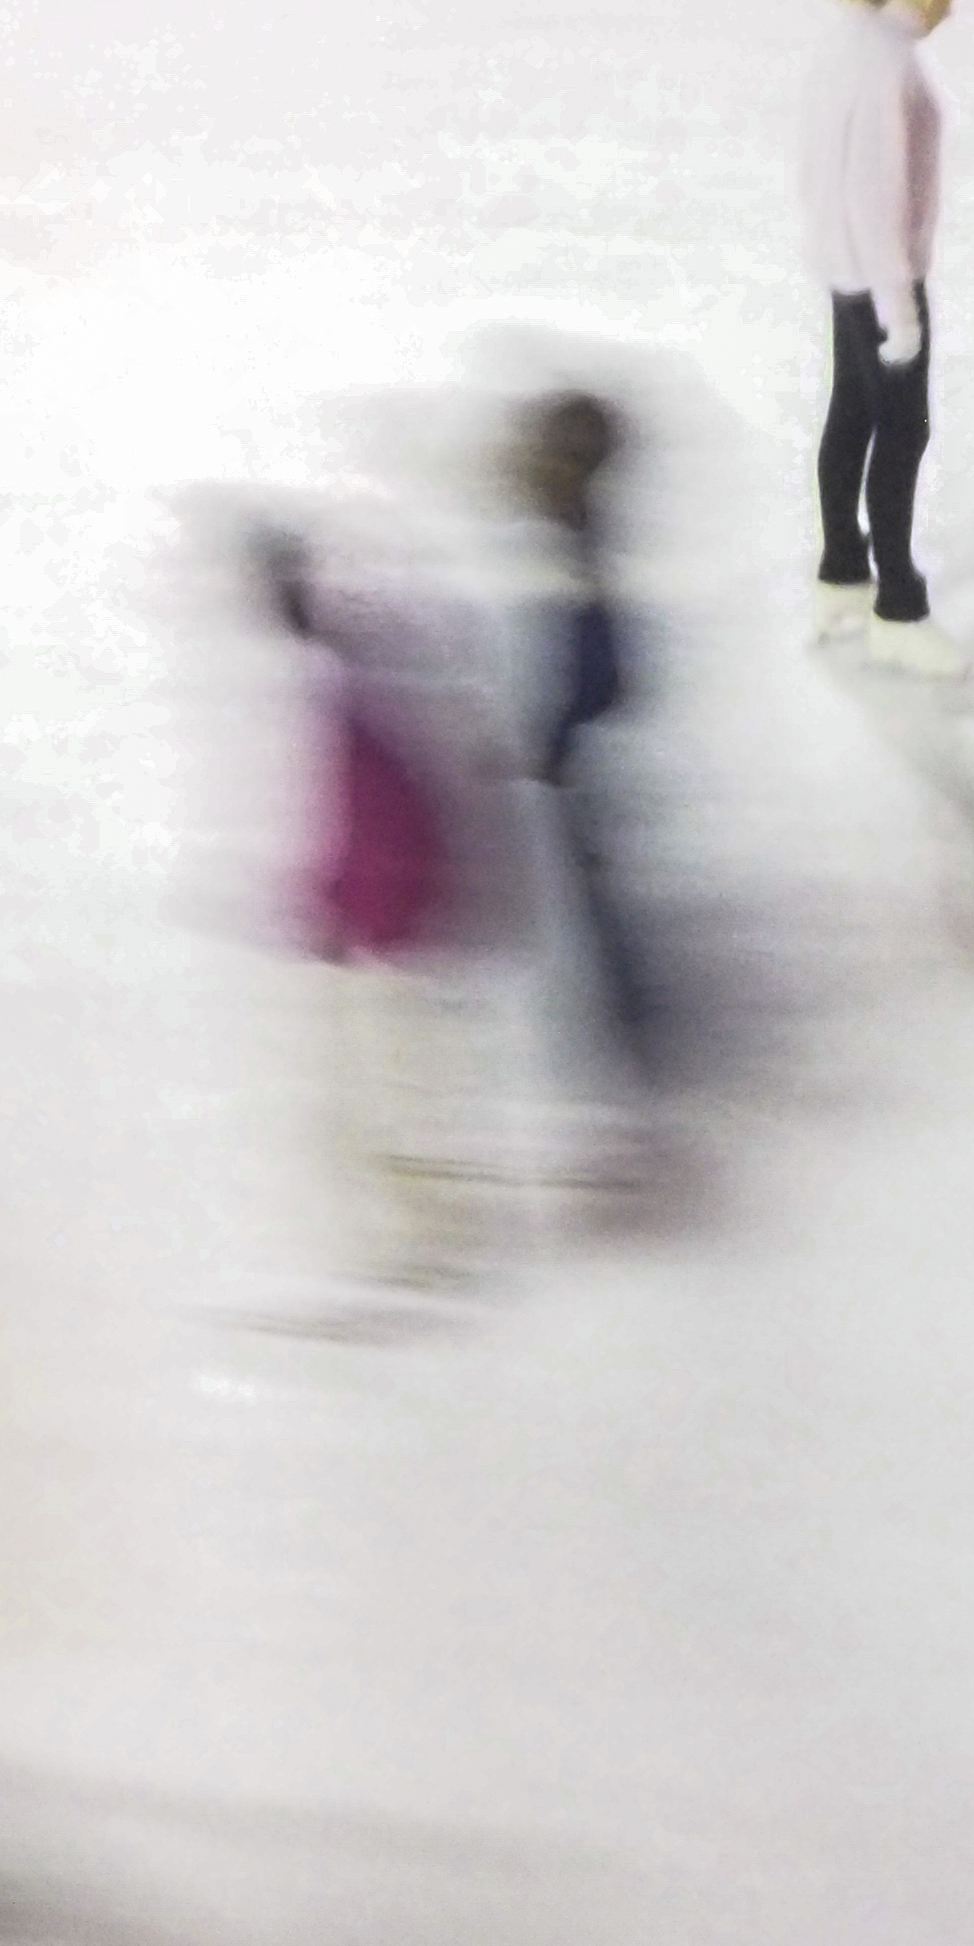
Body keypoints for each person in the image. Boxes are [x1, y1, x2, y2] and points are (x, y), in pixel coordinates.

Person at [249, 523, 503, 1289]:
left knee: (380, 1107)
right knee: (380, 1105)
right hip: (381, 921)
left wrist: (354, 910)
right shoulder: (350, 678)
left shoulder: (349, 690)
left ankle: (435, 1246)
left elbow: (380, 812)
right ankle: (432, 1239)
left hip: (385, 930)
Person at [800, 0, 968, 679]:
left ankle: (842, 573)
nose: (952, 14)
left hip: (846, 269)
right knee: (902, 432)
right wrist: (901, 311)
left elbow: (820, 171)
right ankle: (898, 608)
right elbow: (877, 195)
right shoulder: (890, 63)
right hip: (880, 276)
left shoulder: (845, 46)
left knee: (853, 414)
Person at [504, 390, 670, 1126]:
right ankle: (626, 1072)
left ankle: (629, 1082)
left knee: (594, 926)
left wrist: (554, 738)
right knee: (593, 922)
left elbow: (608, 668)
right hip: (580, 758)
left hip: (582, 764)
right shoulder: (580, 535)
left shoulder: (580, 543)